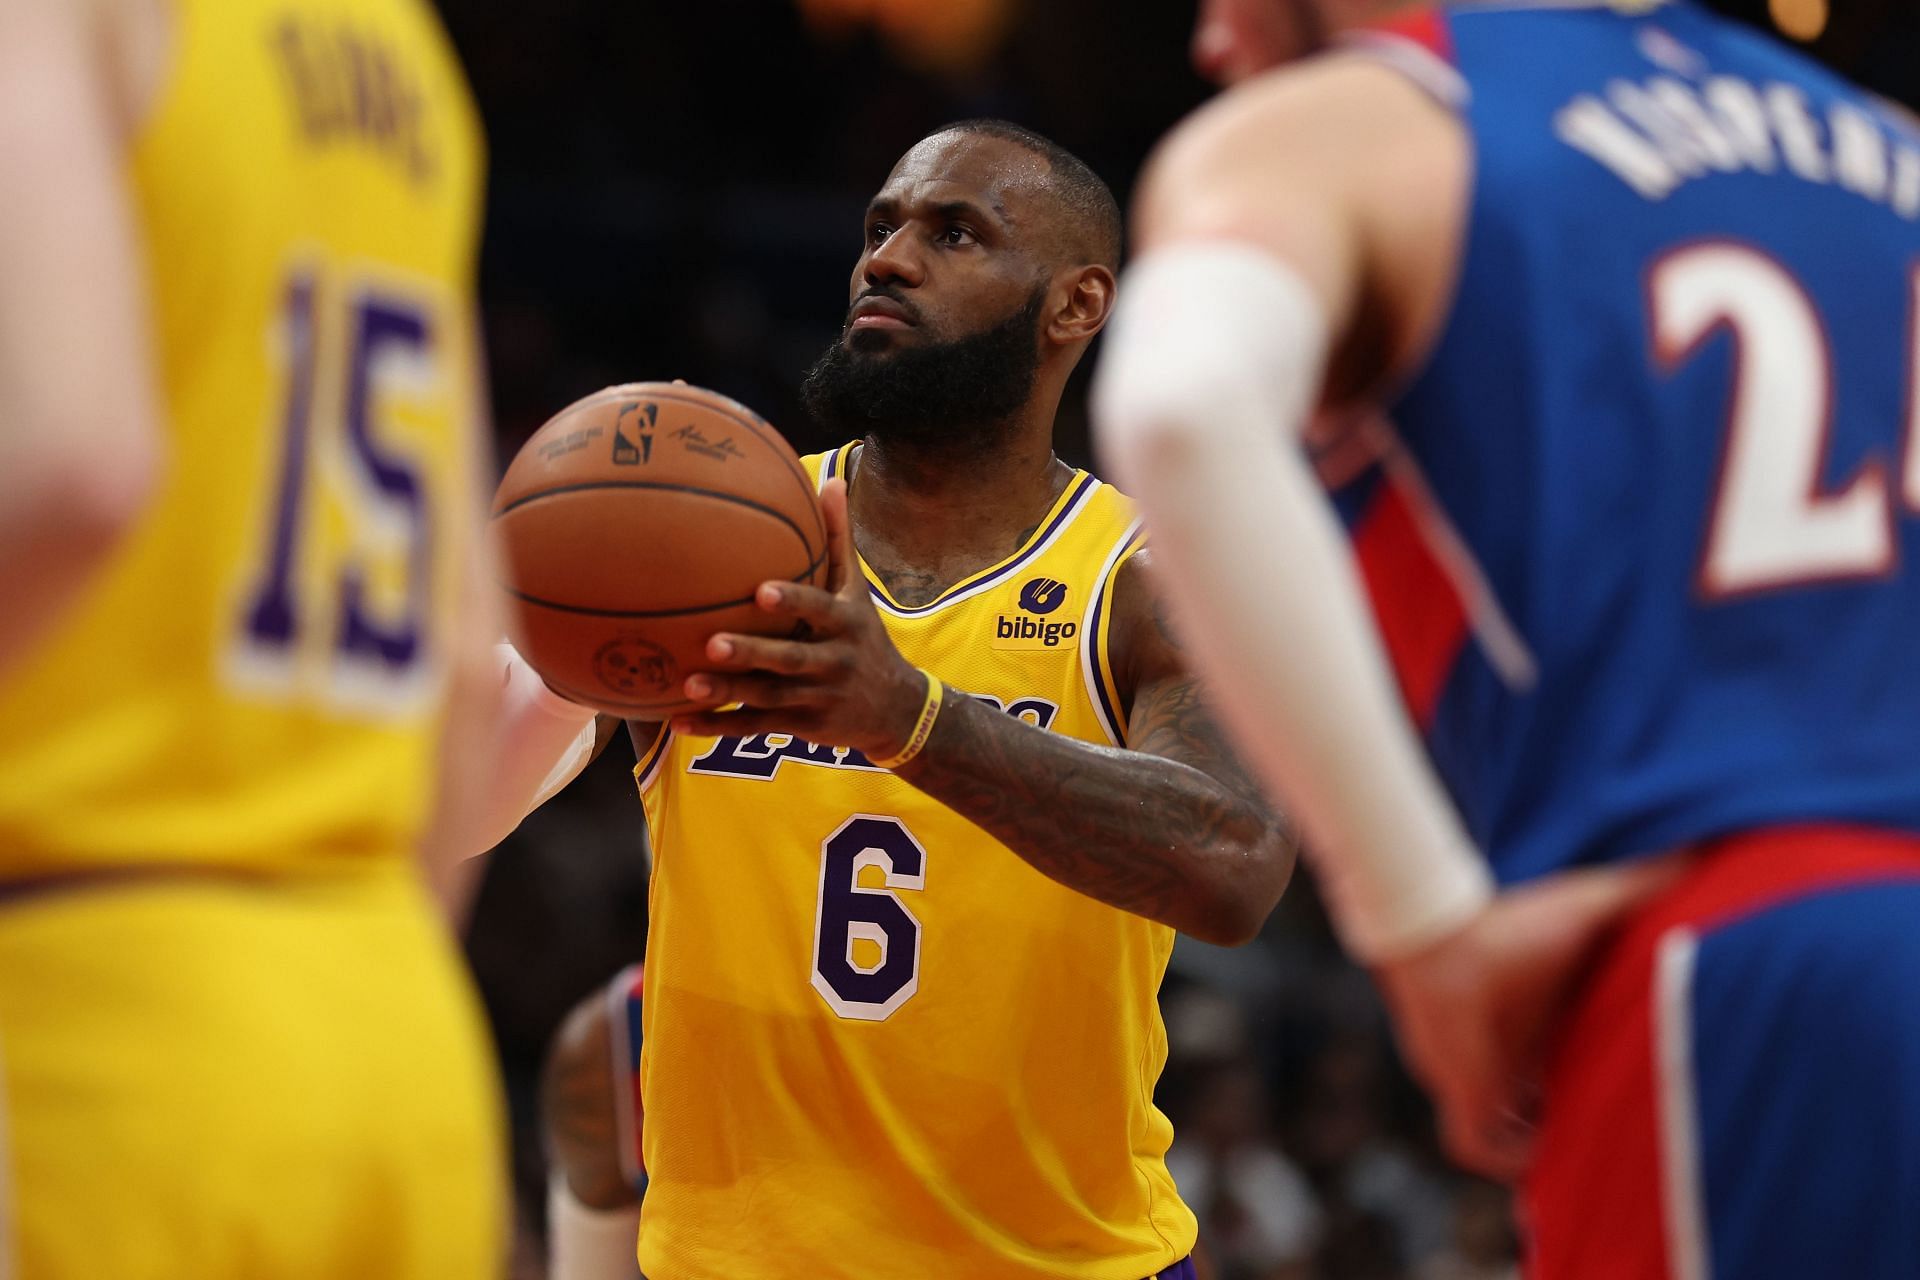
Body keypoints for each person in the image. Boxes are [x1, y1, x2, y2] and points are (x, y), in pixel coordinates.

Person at [1092, 1, 1920, 1277]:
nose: (1210, 43)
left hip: (1741, 960)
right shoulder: (1884, 149)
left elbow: (1183, 410)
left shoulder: (1371, 124)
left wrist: (1418, 928)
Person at [490, 118, 1297, 1279]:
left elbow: (1234, 864)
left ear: (1075, 304)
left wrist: (910, 718)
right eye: (880, 226)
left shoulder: (1148, 577)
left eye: (954, 232)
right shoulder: (700, 551)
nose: (889, 257)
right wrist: (559, 646)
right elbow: (460, 821)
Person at [0, 0, 508, 1273]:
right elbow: (466, 649)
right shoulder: (405, 58)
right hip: (393, 1034)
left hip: (90, 1026)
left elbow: (74, 465)